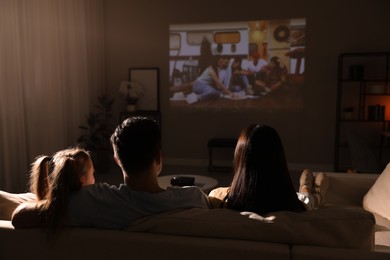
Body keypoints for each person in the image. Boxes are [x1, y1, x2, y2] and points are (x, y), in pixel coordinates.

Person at [208, 124, 328, 214]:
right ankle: (307, 187)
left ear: (240, 160)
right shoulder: (296, 207)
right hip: (294, 199)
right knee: (312, 194)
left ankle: (306, 185)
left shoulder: (217, 197)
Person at [12, 148, 95, 231]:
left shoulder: (52, 210)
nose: (94, 179)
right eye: (92, 174)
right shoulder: (89, 204)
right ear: (82, 180)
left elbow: (18, 216)